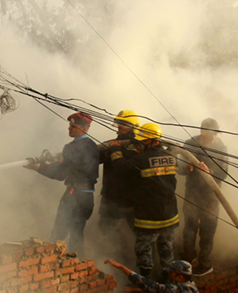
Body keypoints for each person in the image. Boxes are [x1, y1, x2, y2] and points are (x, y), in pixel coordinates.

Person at [114, 123, 205, 278]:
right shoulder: (170, 157)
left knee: (144, 253)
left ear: (155, 141)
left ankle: (146, 285)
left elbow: (120, 167)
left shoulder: (142, 159)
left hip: (148, 218)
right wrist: (187, 168)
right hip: (169, 216)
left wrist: (115, 150)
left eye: (145, 140)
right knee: (167, 253)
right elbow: (176, 171)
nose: (142, 143)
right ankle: (168, 283)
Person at [25, 112, 99, 255]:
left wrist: (38, 167)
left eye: (73, 126)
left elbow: (60, 173)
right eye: (69, 125)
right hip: (88, 197)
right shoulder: (92, 146)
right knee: (77, 234)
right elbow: (75, 165)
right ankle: (77, 265)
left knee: (58, 233)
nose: (69, 128)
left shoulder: (71, 147)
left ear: (84, 128)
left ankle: (50, 264)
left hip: (74, 196)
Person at [181, 118, 229, 277]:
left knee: (208, 230)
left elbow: (224, 173)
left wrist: (210, 172)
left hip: (210, 195)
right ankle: (188, 259)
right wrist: (186, 168)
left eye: (216, 134)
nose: (214, 137)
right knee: (189, 228)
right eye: (211, 134)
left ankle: (205, 264)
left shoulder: (221, 148)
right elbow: (177, 166)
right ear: (202, 131)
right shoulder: (189, 144)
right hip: (192, 193)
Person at [98, 110, 140, 259]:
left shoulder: (138, 146)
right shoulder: (111, 144)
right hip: (111, 198)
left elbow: (128, 167)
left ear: (134, 127)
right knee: (105, 229)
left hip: (130, 200)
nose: (119, 126)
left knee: (142, 236)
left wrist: (115, 149)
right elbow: (96, 158)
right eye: (119, 123)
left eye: (124, 124)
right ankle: (120, 258)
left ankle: (149, 269)